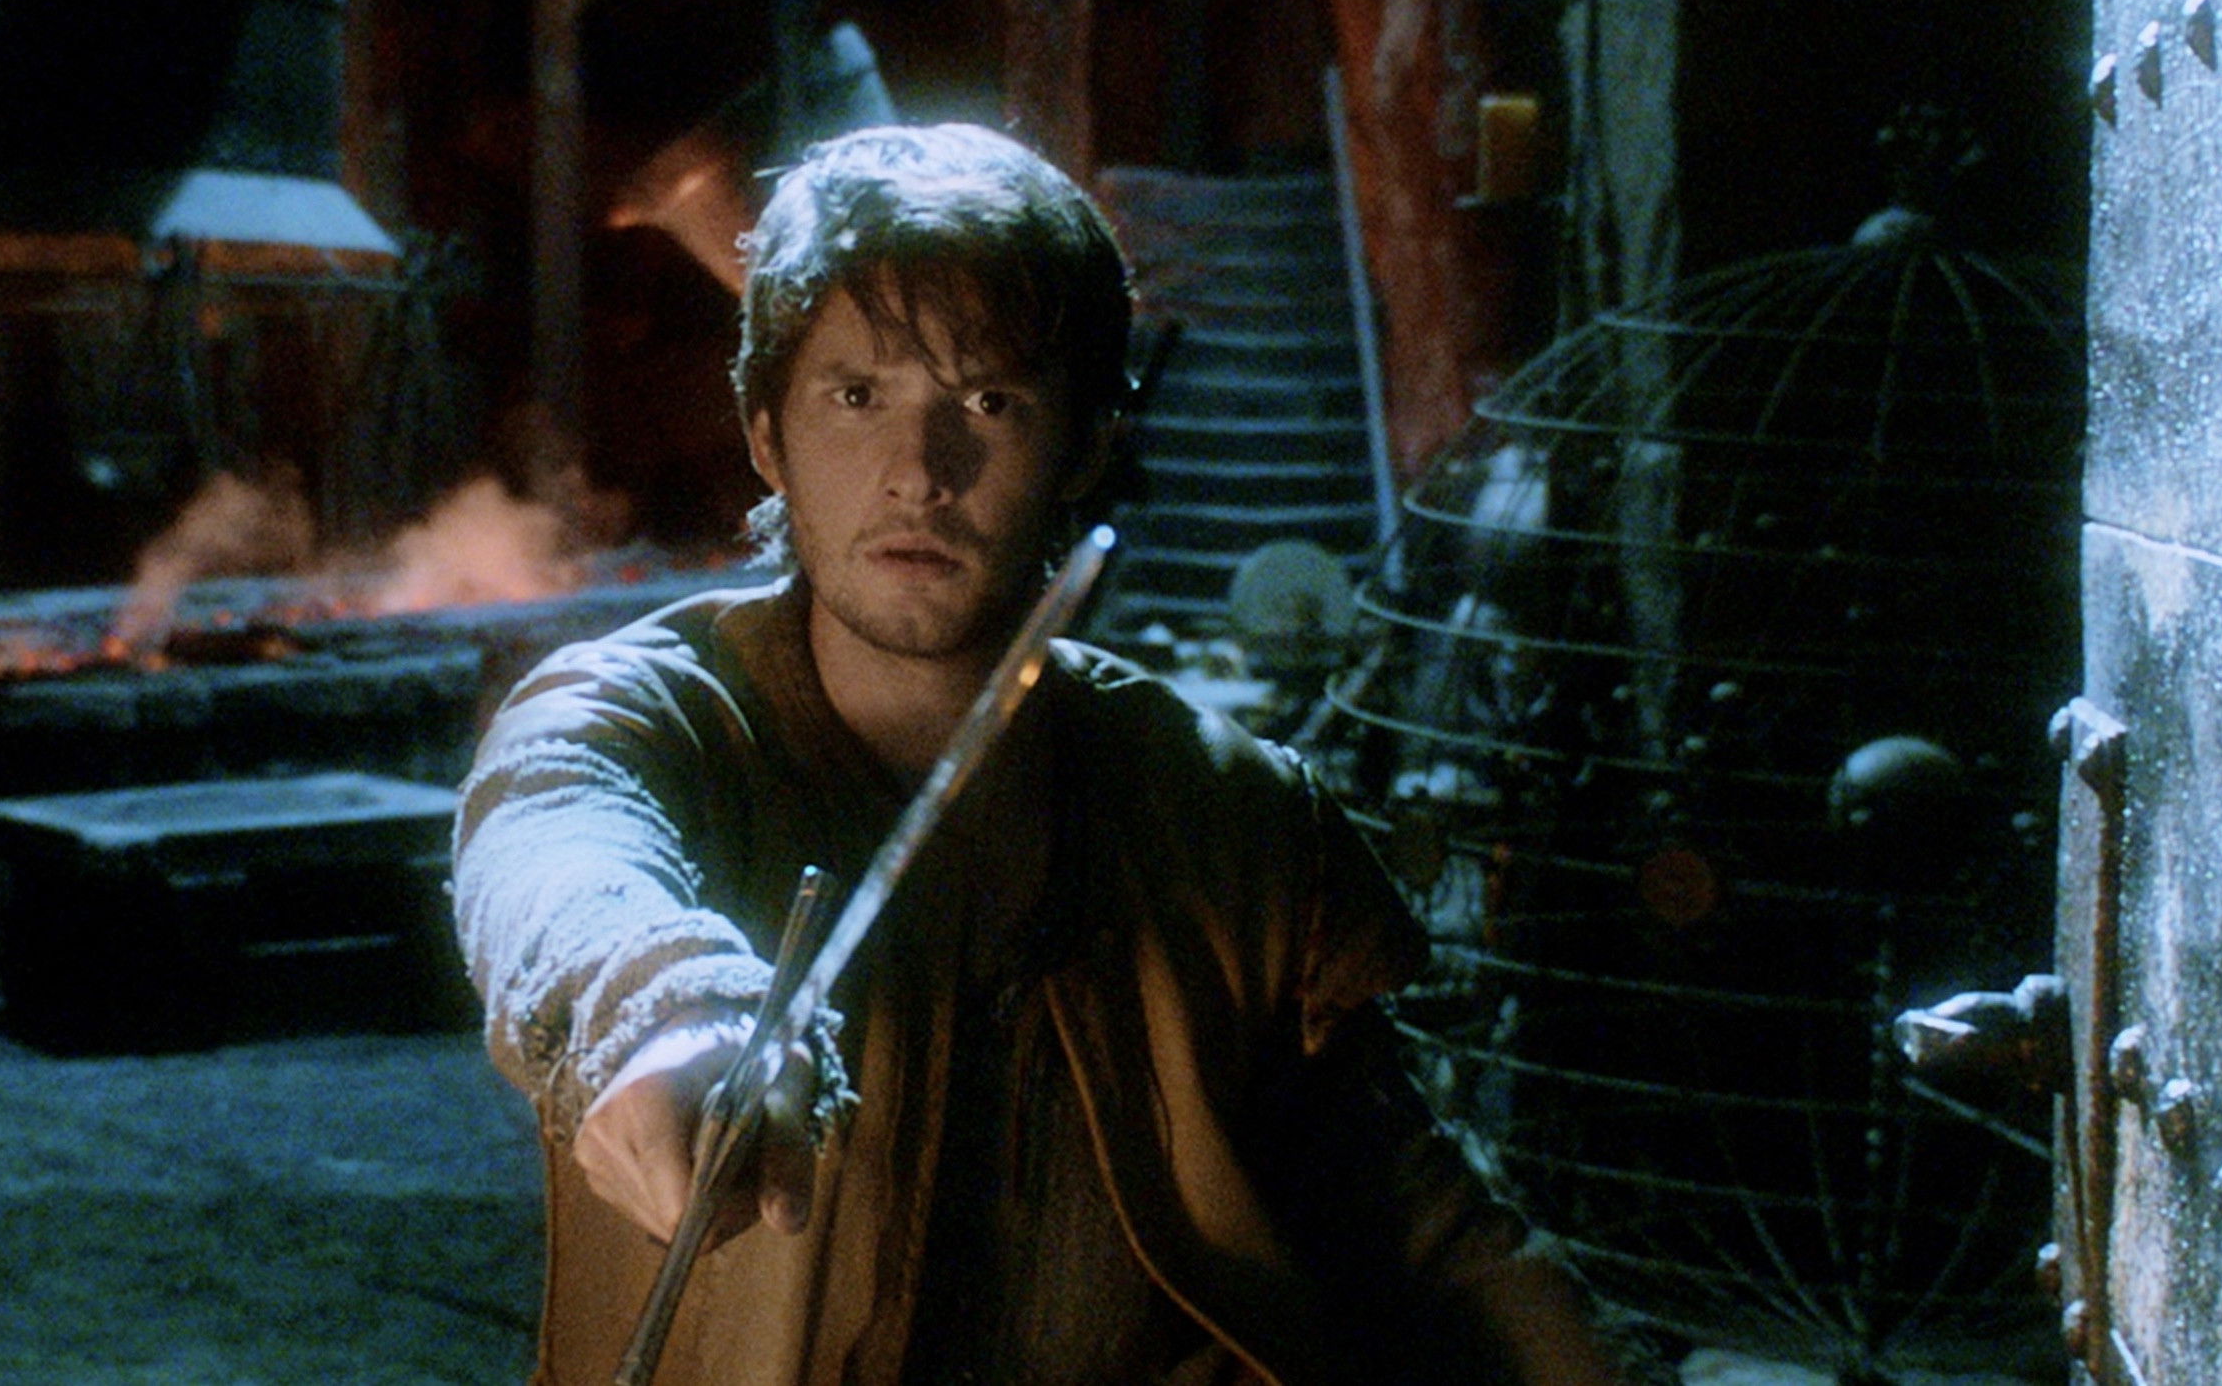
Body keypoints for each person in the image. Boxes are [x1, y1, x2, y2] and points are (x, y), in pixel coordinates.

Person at [452, 122, 1634, 1385]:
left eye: (989, 402)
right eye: (857, 397)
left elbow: (1430, 1234)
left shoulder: (1225, 811)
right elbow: (556, 844)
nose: (918, 474)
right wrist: (663, 1012)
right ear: (766, 436)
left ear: (1085, 447)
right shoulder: (641, 715)